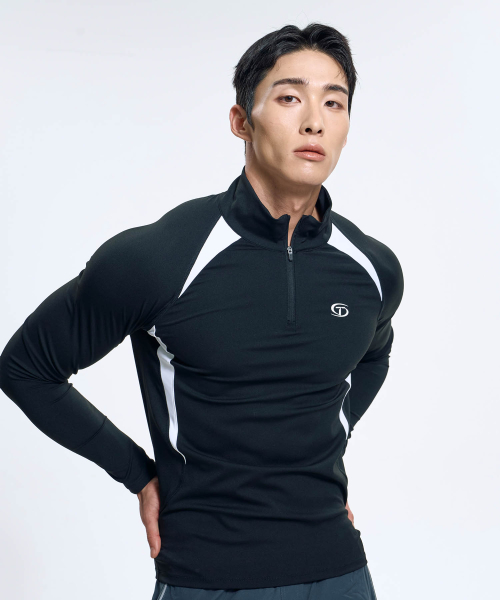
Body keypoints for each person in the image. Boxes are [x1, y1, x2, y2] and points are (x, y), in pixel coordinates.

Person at [0, 22, 404, 600]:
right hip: (208, 577)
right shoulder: (162, 257)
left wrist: (330, 434)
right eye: (290, 98)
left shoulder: (371, 268)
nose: (315, 121)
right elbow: (25, 368)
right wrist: (140, 475)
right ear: (241, 121)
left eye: (333, 103)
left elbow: (375, 356)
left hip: (341, 571)